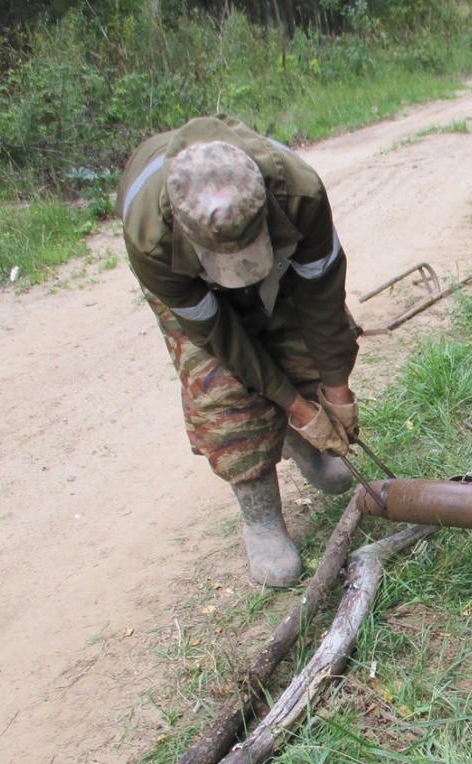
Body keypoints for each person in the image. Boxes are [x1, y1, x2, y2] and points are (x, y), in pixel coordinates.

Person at [117, 115, 362, 587]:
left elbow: (322, 298)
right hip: (189, 286)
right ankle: (261, 518)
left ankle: (298, 438)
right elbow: (221, 337)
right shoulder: (150, 237)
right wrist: (293, 403)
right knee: (222, 386)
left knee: (304, 347)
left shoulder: (299, 193)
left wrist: (336, 394)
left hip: (283, 256)